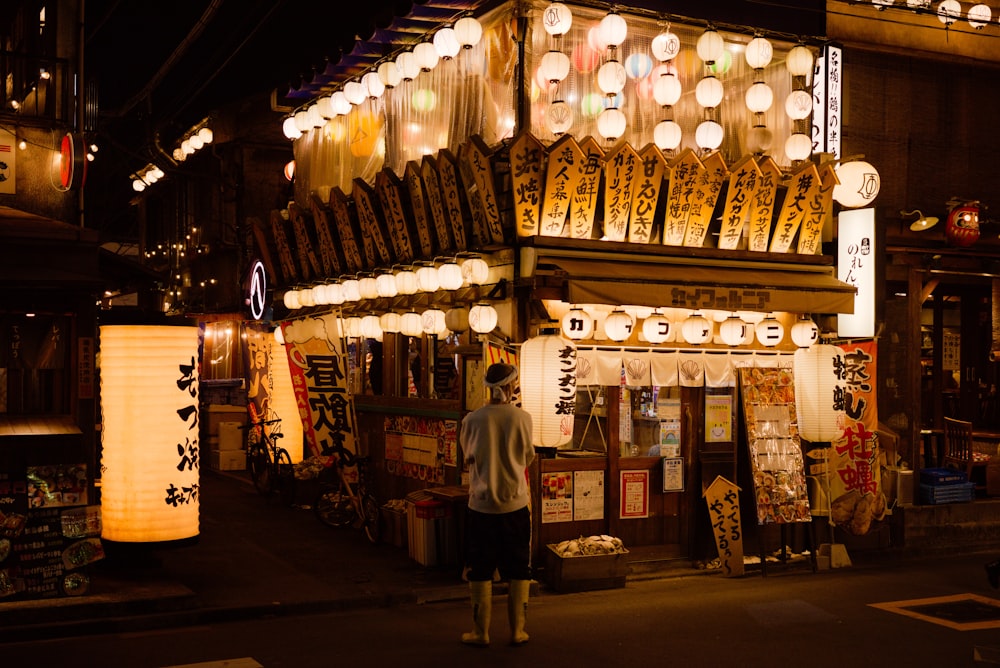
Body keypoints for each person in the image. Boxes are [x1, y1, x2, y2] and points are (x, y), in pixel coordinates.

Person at [459, 362, 535, 647]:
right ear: (511, 386)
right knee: (518, 567)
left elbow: (469, 458)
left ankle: (481, 632)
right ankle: (517, 631)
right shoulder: (522, 418)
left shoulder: (472, 420)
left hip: (480, 506)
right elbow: (527, 457)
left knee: (479, 568)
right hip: (515, 503)